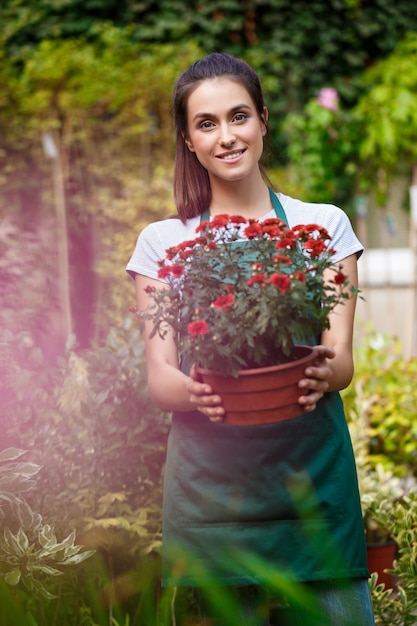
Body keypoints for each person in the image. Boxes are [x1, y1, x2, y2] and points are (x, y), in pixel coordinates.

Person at [126, 53, 375, 626]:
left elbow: (340, 362)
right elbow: (162, 378)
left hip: (313, 481)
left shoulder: (325, 226)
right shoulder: (163, 242)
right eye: (206, 124)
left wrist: (319, 372)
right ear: (188, 140)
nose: (226, 136)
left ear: (263, 120)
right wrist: (198, 393)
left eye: (238, 116)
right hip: (216, 494)